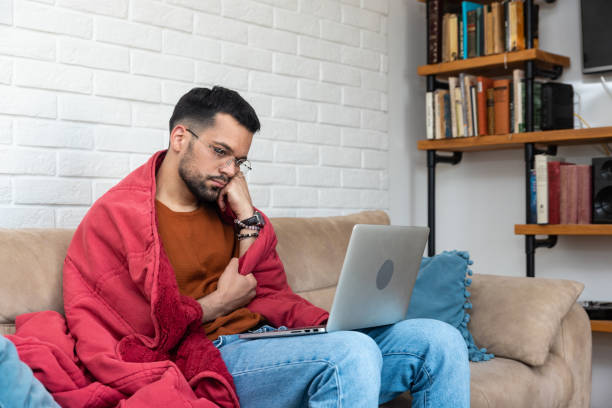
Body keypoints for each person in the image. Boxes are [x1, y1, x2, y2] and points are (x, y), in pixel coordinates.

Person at [9, 86, 469, 408]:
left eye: (240, 160)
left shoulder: (229, 209)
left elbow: (268, 290)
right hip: (210, 357)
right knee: (352, 352)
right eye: (220, 151)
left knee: (438, 340)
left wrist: (249, 218)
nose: (230, 170)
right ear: (179, 138)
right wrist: (215, 305)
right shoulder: (117, 219)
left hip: (268, 342)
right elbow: (136, 341)